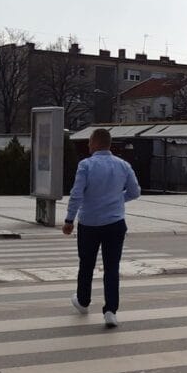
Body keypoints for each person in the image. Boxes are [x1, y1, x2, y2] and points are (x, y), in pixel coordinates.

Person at [62, 128, 141, 328]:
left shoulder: (86, 165)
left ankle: (83, 301)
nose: (88, 145)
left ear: (96, 143)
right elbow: (135, 191)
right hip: (115, 223)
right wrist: (116, 200)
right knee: (112, 268)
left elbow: (76, 194)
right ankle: (111, 311)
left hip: (89, 223)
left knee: (86, 264)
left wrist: (69, 220)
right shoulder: (123, 165)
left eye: (89, 141)